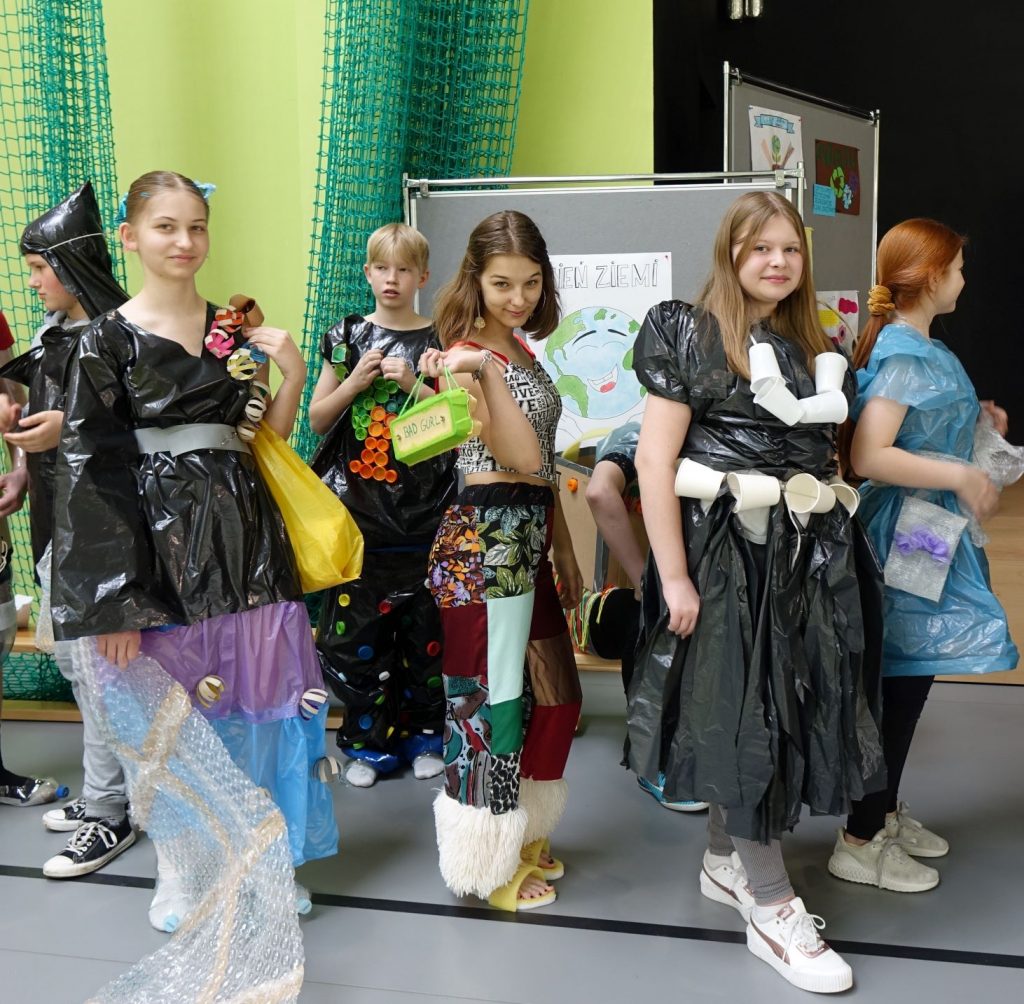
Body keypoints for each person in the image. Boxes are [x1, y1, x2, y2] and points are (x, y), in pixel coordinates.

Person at [50, 171, 338, 929]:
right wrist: (116, 602)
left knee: (263, 707)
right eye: (167, 226)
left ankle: (264, 859)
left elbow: (261, 437)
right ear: (130, 237)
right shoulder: (104, 341)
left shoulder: (231, 331)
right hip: (159, 560)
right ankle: (183, 870)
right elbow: (88, 472)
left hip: (249, 547)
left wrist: (293, 372)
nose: (185, 241)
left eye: (197, 226)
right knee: (174, 724)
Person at [628, 191, 884, 993]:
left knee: (769, 706)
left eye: (791, 249)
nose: (778, 261)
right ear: (730, 252)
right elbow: (653, 461)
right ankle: (772, 906)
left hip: (805, 559)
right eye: (760, 247)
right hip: (727, 562)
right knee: (744, 714)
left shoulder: (811, 344)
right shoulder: (688, 330)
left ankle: (723, 858)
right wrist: (674, 574)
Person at [827, 219, 1018, 893]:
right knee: (899, 684)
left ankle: (879, 813)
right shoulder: (907, 353)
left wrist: (974, 419)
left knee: (909, 675)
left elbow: (914, 425)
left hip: (926, 529)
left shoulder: (918, 347)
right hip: (912, 530)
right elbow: (870, 454)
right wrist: (960, 474)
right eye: (958, 268)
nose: (965, 279)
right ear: (931, 276)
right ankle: (860, 837)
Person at [419, 210, 583, 912]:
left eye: (531, 282)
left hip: (527, 535)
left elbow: (538, 465)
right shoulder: (463, 357)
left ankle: (524, 830)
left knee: (558, 695)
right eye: (502, 283)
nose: (518, 297)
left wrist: (564, 546)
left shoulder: (514, 348)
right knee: (490, 707)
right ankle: (484, 865)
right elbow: (516, 456)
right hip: (484, 540)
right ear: (476, 281)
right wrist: (481, 370)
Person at [0, 185, 131, 846]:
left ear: (71, 265)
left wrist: (68, 433)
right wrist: (24, 460)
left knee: (107, 673)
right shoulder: (52, 335)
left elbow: (137, 437)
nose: (31, 283)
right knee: (81, 667)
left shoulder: (118, 337)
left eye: (38, 268)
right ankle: (104, 793)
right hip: (55, 524)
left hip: (103, 532)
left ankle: (113, 805)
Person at [308, 223, 454, 788]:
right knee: (357, 641)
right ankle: (366, 746)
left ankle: (426, 737)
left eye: (404, 269)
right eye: (382, 268)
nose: (392, 279)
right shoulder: (347, 337)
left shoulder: (440, 339)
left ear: (423, 277)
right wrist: (353, 384)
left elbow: (455, 427)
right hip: (361, 519)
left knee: (426, 639)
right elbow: (318, 419)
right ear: (368, 273)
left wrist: (416, 383)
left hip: (426, 518)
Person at [581, 422, 707, 812]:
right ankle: (654, 762)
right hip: (634, 599)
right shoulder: (638, 435)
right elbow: (599, 491)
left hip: (692, 583)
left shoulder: (707, 431)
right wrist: (644, 578)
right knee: (648, 625)